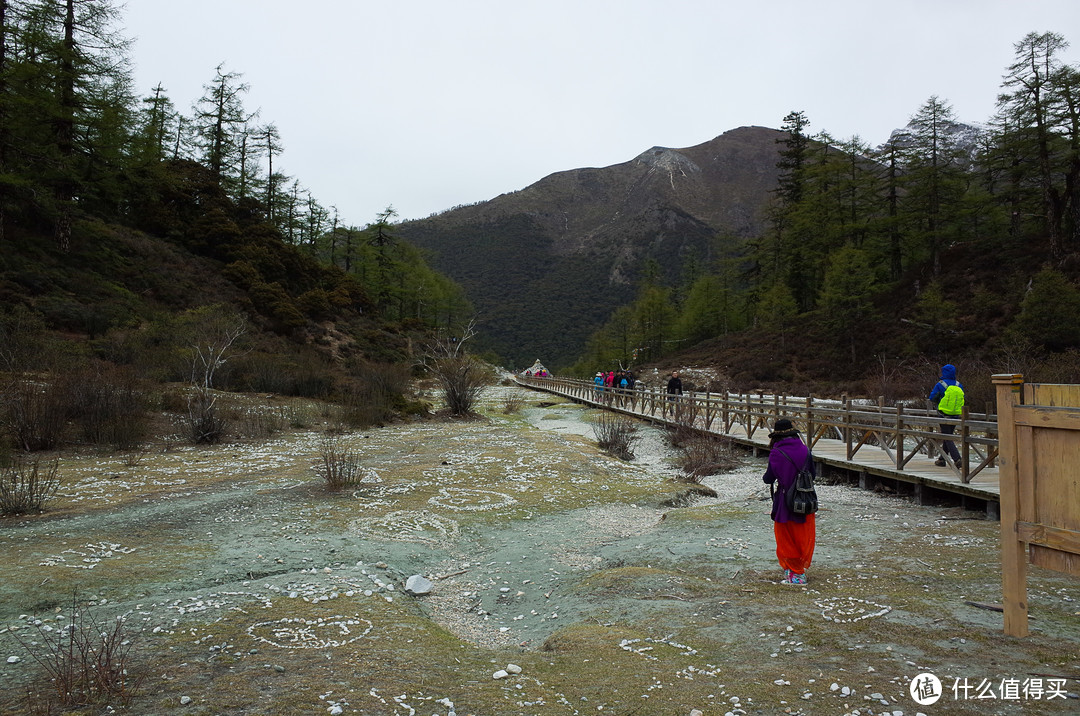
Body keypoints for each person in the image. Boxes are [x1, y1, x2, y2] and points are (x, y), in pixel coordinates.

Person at [762, 418, 816, 585]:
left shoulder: (776, 453)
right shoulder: (805, 451)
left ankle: (795, 574)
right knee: (803, 535)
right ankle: (797, 569)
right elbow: (812, 475)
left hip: (785, 501)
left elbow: (768, 478)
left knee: (785, 536)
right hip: (805, 498)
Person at [928, 364, 964, 468]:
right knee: (948, 435)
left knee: (947, 437)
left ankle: (957, 459)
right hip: (956, 414)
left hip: (943, 414)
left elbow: (932, 397)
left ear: (944, 372)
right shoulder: (958, 384)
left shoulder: (941, 384)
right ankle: (942, 459)